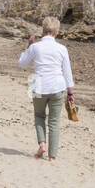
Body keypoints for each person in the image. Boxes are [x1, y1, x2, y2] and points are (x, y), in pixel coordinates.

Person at [18, 17, 75, 161]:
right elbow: (67, 72)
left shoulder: (35, 47)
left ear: (43, 31)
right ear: (57, 32)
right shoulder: (62, 49)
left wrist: (28, 46)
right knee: (54, 121)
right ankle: (52, 156)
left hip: (39, 86)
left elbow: (22, 64)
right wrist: (70, 93)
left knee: (39, 116)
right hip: (58, 86)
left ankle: (42, 144)